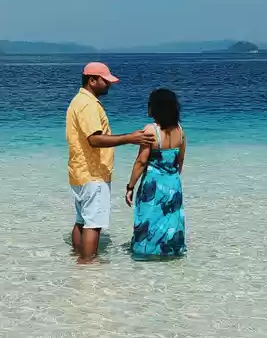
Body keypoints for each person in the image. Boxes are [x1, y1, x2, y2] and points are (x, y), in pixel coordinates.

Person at [66, 62, 156, 264]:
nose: (109, 85)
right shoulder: (88, 105)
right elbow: (94, 139)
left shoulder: (78, 101)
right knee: (93, 224)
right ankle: (88, 263)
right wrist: (130, 138)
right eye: (105, 81)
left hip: (79, 170)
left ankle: (78, 259)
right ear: (92, 80)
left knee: (81, 220)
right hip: (93, 172)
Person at [124, 88, 187, 259]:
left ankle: (146, 253)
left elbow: (141, 161)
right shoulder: (180, 130)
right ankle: (170, 252)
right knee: (171, 219)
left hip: (153, 182)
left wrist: (130, 187)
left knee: (148, 217)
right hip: (173, 183)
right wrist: (171, 179)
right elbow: (180, 160)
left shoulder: (151, 130)